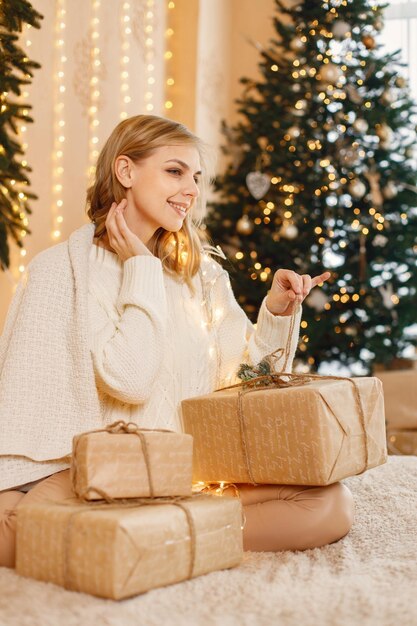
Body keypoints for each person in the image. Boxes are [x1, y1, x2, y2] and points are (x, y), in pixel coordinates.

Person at [0, 114, 354, 568]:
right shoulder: (63, 270)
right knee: (11, 529)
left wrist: (276, 313)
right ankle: (160, 537)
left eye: (196, 176)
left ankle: (146, 542)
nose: (191, 189)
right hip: (97, 475)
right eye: (174, 171)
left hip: (185, 475)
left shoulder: (200, 274)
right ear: (125, 172)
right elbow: (131, 381)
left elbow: (247, 381)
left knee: (329, 503)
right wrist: (140, 268)